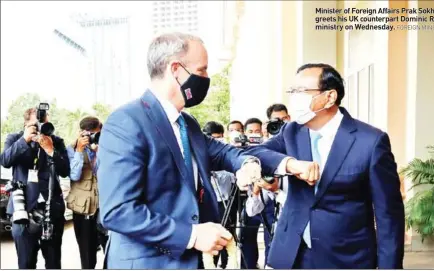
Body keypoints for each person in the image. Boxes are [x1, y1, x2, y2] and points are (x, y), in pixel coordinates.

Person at [96, 32, 316, 269]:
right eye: (201, 70)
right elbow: (118, 211)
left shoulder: (186, 124)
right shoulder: (127, 122)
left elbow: (224, 153)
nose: (206, 78)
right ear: (176, 69)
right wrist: (191, 236)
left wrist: (247, 164)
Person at [242, 63, 405, 269]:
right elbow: (253, 153)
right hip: (291, 254)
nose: (294, 98)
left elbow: (388, 215)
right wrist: (290, 164)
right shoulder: (292, 132)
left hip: (345, 257)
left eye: (301, 91)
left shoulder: (370, 142)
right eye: (292, 91)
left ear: (330, 97)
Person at [0, 107, 70, 269]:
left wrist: (51, 150)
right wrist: (24, 140)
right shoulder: (15, 138)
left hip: (51, 210)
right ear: (26, 124)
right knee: (26, 263)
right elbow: (5, 161)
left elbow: (65, 171)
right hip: (22, 210)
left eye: (44, 124)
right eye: (35, 124)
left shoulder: (56, 141)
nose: (40, 128)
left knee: (53, 263)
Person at [66, 116, 108, 269]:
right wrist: (79, 151)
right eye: (91, 134)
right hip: (83, 210)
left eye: (97, 134)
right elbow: (74, 175)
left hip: (105, 207)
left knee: (110, 253)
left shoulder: (107, 147)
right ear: (82, 133)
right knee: (87, 257)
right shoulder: (71, 148)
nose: (94, 138)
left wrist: (100, 153)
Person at [239, 118, 276, 269]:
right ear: (244, 133)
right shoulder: (240, 153)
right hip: (250, 200)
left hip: (271, 203)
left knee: (271, 242)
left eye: (257, 132)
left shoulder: (271, 150)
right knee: (246, 239)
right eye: (250, 132)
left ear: (263, 132)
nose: (254, 135)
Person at [202, 121, 239, 269]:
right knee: (212, 238)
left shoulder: (225, 151)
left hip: (228, 200)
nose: (216, 141)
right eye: (213, 138)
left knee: (228, 235)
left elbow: (232, 176)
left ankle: (227, 264)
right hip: (210, 201)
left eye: (219, 137)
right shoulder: (202, 153)